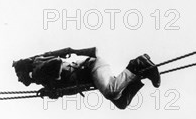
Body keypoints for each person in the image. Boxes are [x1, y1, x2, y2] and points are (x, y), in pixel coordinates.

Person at [12, 47, 161, 109]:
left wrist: (51, 87)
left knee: (111, 91)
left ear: (25, 69)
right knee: (121, 102)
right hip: (90, 71)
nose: (19, 79)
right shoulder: (41, 75)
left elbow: (56, 64)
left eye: (19, 74)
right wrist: (52, 90)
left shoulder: (37, 67)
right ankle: (138, 74)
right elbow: (66, 85)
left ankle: (137, 65)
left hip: (91, 67)